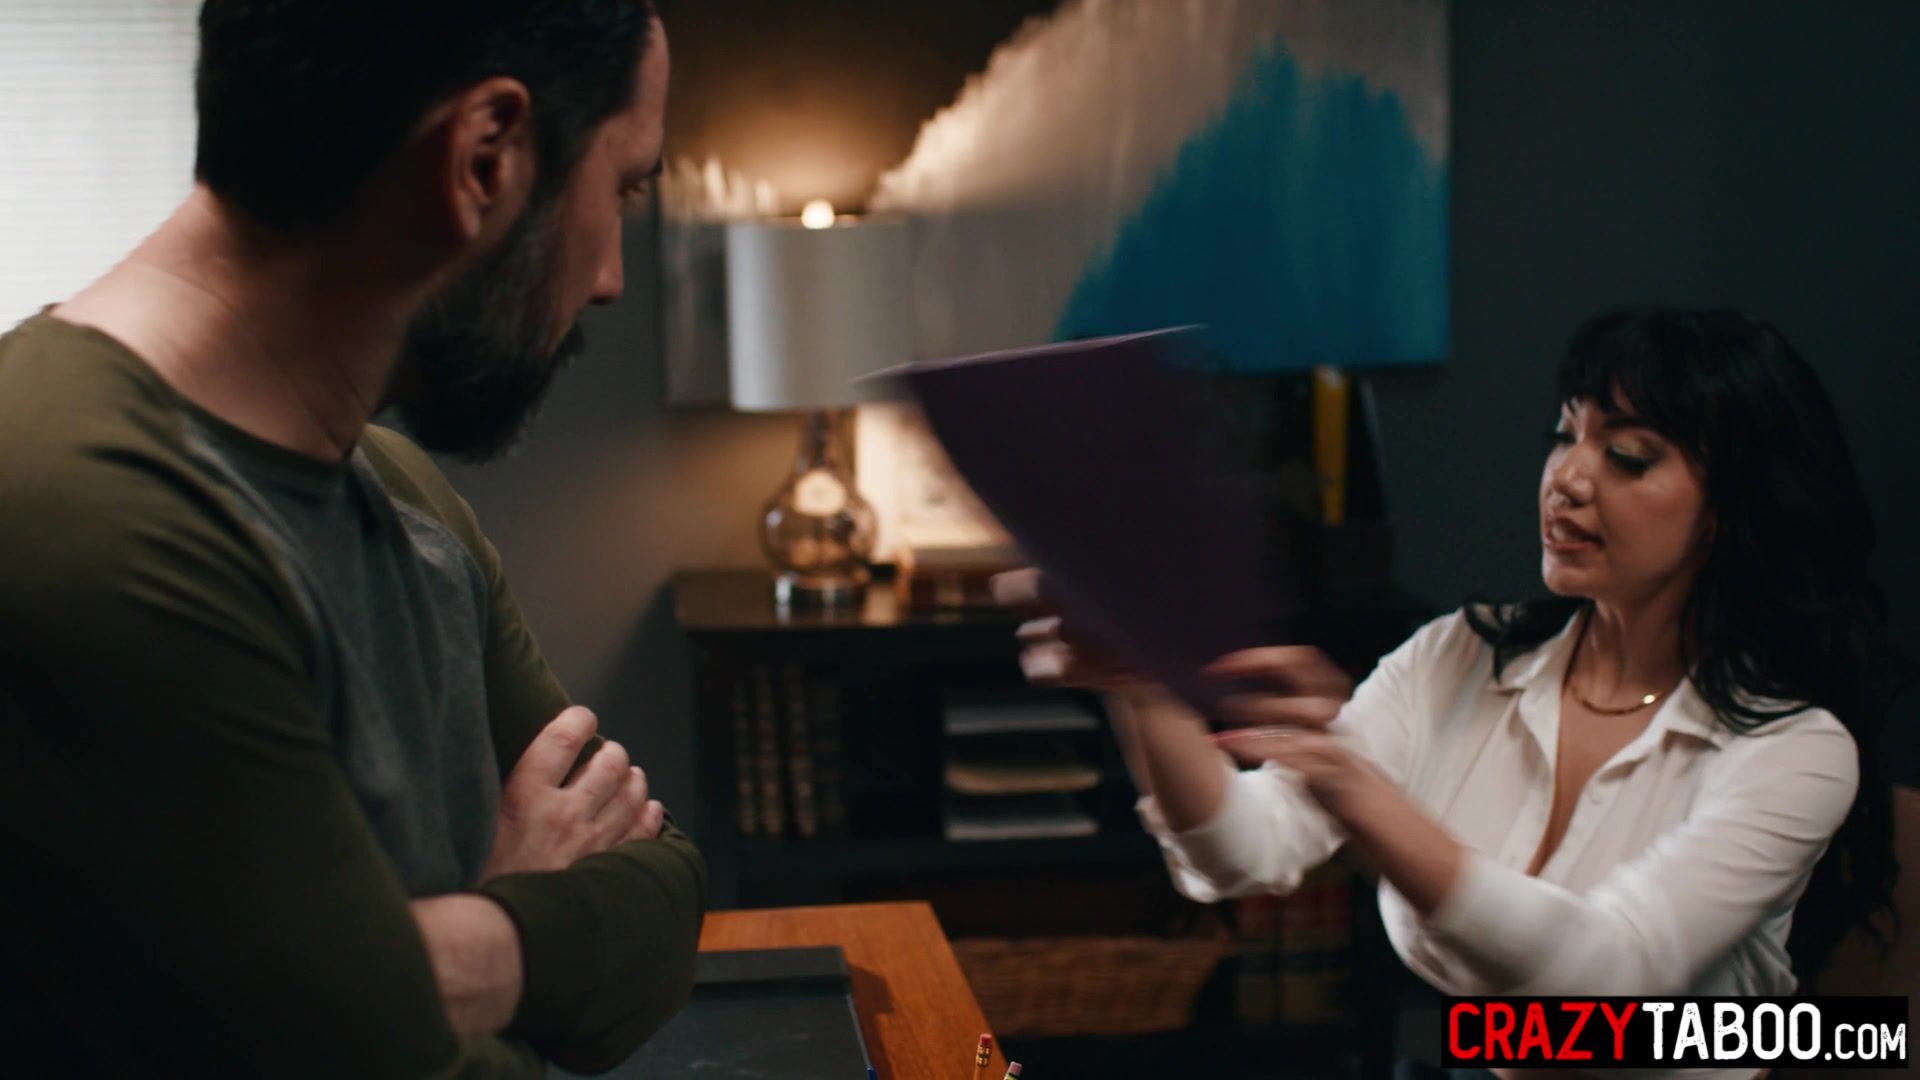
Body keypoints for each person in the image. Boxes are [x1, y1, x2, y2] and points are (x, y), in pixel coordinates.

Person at [0, 1, 704, 1075]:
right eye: (622, 188)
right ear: (483, 158)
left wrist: (464, 945)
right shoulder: (89, 511)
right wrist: (530, 933)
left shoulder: (396, 485)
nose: (608, 275)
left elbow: (665, 885)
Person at [1005, 306, 1905, 1077]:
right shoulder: (1459, 657)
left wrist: (1357, 791)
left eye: (1628, 455)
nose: (1568, 479)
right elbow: (1242, 854)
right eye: (1565, 435)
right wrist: (1142, 684)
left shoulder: (1796, 751)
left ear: (1730, 511)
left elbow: (1606, 980)